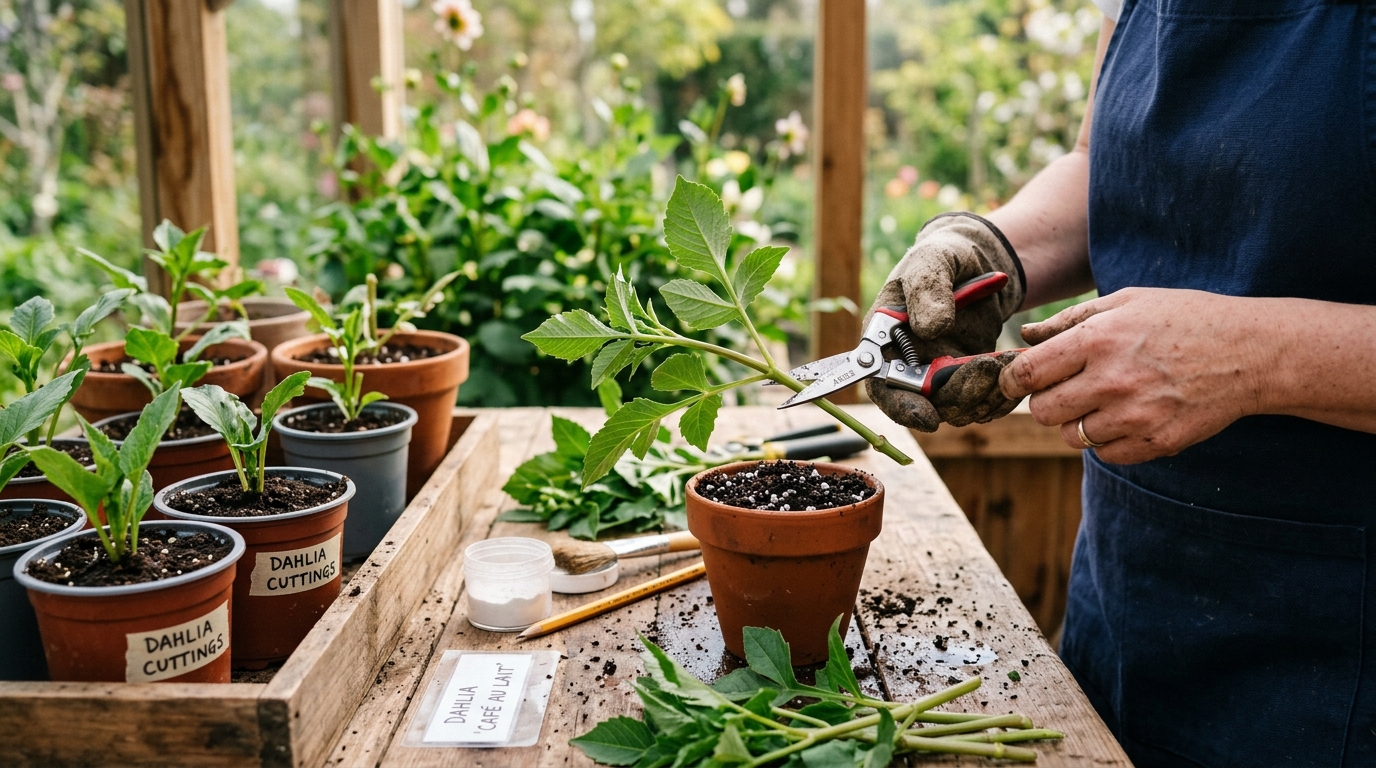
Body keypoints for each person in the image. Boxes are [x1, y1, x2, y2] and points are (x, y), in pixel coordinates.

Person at [866, 1, 1376, 765]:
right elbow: (1098, 162)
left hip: (1338, 649)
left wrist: (1258, 356)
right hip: (1130, 595)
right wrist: (987, 244)